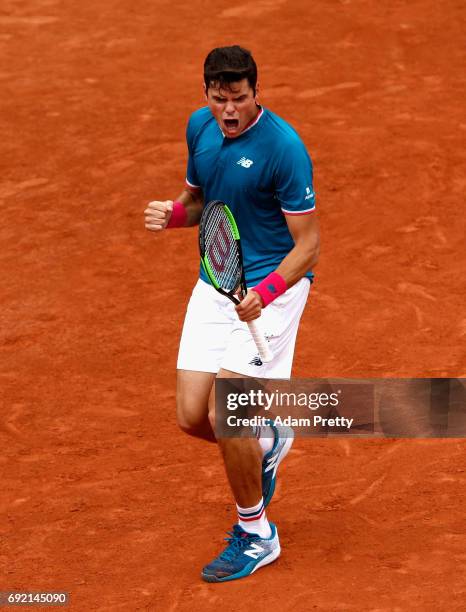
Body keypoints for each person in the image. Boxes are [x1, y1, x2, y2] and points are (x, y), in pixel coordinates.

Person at [144, 45, 320, 582]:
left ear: (255, 92)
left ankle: (256, 534)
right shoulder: (200, 128)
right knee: (192, 416)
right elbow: (202, 201)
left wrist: (265, 291)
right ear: (207, 94)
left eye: (239, 99)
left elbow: (308, 245)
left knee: (229, 415)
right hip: (218, 282)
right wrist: (175, 213)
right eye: (220, 99)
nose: (229, 110)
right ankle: (270, 439)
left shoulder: (284, 148)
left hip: (273, 288)